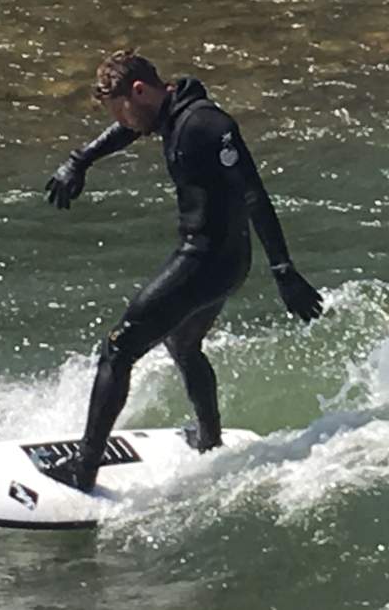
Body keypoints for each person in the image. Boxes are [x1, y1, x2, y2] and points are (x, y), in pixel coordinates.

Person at [43, 50, 323, 492]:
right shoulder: (168, 111)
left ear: (139, 91)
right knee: (183, 343)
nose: (123, 122)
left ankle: (84, 468)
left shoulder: (207, 125)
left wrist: (284, 270)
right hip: (222, 260)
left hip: (206, 261)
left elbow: (254, 194)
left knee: (118, 350)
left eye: (122, 110)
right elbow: (129, 129)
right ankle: (209, 440)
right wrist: (81, 159)